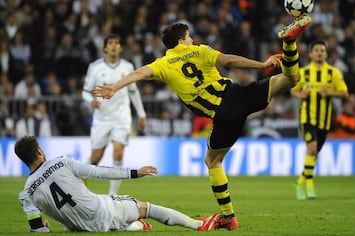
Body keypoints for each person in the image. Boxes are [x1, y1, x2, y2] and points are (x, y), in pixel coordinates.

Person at [93, 15, 312, 230]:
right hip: (239, 94)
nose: (192, 40)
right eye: (189, 37)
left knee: (213, 162)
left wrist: (114, 87)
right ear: (181, 41)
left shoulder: (163, 64)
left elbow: (140, 73)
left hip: (224, 114)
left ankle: (228, 216)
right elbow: (228, 60)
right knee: (291, 78)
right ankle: (290, 43)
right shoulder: (200, 50)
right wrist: (262, 64)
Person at [16, 136, 219, 232]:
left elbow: (38, 230)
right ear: (39, 152)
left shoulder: (26, 193)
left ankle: (137, 225)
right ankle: (200, 225)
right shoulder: (61, 162)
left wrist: (44, 228)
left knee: (120, 221)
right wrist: (134, 173)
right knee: (145, 207)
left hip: (78, 228)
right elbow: (99, 172)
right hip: (103, 211)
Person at [82, 34, 147, 195]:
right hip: (102, 118)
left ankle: (113, 196)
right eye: (110, 43)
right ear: (104, 48)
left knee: (118, 152)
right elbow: (85, 92)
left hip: (121, 118)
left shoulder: (127, 66)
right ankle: (79, 189)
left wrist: (141, 114)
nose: (113, 46)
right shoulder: (95, 67)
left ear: (120, 48)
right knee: (95, 158)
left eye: (117, 43)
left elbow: (133, 91)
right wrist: (91, 101)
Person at [291, 40, 349, 200]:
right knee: (312, 149)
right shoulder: (303, 73)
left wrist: (330, 92)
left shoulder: (333, 73)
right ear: (311, 53)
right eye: (316, 50)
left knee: (314, 153)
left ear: (326, 54)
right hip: (307, 118)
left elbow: (344, 93)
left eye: (322, 50)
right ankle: (309, 185)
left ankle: (300, 181)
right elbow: (293, 90)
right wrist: (300, 95)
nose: (319, 53)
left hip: (324, 120)